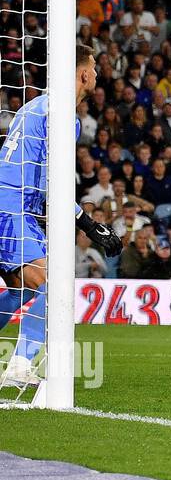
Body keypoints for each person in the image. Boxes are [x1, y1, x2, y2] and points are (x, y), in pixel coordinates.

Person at [0, 46, 122, 388]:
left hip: (9, 204)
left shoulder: (33, 106)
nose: (97, 74)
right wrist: (88, 224)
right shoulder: (62, 115)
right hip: (11, 208)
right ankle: (20, 366)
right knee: (53, 286)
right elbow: (51, 183)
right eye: (94, 68)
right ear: (83, 74)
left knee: (21, 290)